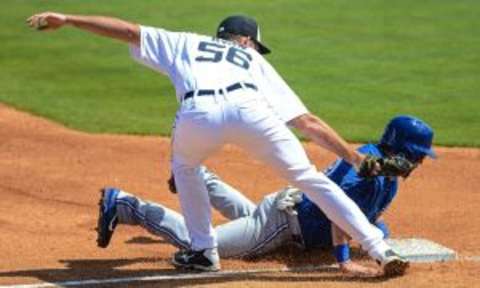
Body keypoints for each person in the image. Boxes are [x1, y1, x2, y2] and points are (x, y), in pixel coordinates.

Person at [27, 12, 406, 273]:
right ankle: (379, 249)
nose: (257, 50)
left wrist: (69, 19)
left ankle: (204, 252)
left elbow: (126, 30)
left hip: (198, 113)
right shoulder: (253, 61)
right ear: (244, 40)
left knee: (185, 166)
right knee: (311, 180)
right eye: (256, 44)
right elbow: (306, 122)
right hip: (252, 112)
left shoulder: (184, 43)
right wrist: (355, 158)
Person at [96, 115, 435, 277]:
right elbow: (337, 211)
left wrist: (378, 232)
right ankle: (126, 205)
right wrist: (343, 260)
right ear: (401, 149)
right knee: (201, 244)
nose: (420, 162)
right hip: (283, 225)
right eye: (418, 155)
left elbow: (364, 214)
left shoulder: (379, 170)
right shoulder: (367, 172)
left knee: (250, 216)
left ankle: (196, 175)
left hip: (283, 211)